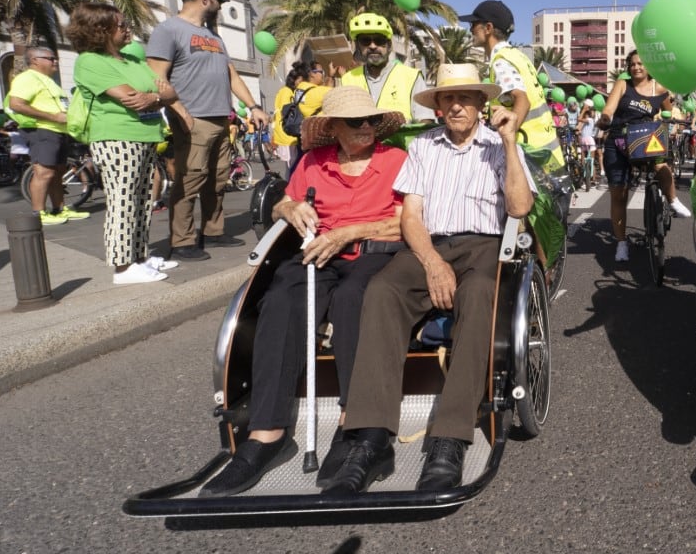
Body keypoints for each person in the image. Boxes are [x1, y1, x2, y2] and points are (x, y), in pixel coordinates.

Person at [321, 65, 535, 494]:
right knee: (382, 291)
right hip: (429, 243)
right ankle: (373, 436)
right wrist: (433, 262)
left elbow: (518, 208)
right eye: (448, 98)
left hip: (483, 243)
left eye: (466, 98)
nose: (456, 105)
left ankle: (449, 436)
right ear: (437, 106)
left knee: (478, 294)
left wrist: (510, 142)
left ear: (480, 104)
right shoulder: (423, 147)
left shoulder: (499, 145)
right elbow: (412, 217)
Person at [200, 87, 408, 496]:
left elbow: (407, 223)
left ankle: (353, 423)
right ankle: (267, 436)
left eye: (370, 120)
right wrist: (289, 208)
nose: (365, 127)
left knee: (356, 300)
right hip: (319, 249)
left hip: (375, 250)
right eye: (355, 121)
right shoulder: (314, 162)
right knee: (279, 300)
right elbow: (284, 202)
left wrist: (351, 232)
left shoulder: (395, 160)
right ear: (332, 127)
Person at [147, 0, 268, 261]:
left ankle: (213, 232)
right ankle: (182, 241)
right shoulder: (169, 30)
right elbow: (157, 78)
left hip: (220, 118)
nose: (220, 7)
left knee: (217, 179)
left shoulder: (214, 37)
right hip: (192, 118)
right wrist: (181, 112)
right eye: (218, 2)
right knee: (190, 180)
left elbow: (231, 75)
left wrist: (253, 106)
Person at [69, 3, 179, 285]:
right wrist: (156, 95)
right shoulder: (90, 62)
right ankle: (122, 266)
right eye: (121, 25)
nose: (127, 28)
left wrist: (153, 97)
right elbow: (129, 97)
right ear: (100, 30)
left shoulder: (131, 60)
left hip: (144, 136)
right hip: (117, 138)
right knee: (123, 200)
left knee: (142, 201)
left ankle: (139, 256)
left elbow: (166, 91)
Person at [600, 51, 692, 262]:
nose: (636, 67)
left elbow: (669, 111)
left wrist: (674, 126)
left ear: (649, 67)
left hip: (645, 139)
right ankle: (622, 244)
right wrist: (605, 118)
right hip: (619, 142)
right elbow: (609, 107)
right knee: (619, 195)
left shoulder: (659, 89)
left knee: (662, 168)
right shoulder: (623, 85)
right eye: (632, 64)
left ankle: (673, 200)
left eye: (641, 63)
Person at [461, 0, 565, 171]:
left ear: (488, 28)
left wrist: (508, 141)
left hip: (530, 155)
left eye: (474, 24)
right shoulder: (517, 56)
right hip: (546, 152)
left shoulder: (501, 62)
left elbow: (522, 100)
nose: (470, 29)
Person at [4, 46, 88, 226]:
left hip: (58, 131)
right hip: (42, 130)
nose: (55, 61)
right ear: (35, 60)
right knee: (44, 172)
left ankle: (58, 209)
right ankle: (38, 213)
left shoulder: (47, 80)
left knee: (57, 172)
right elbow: (16, 104)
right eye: (51, 58)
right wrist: (53, 116)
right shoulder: (27, 78)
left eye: (55, 58)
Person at [336, 13, 431, 148]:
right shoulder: (347, 79)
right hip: (360, 158)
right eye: (365, 41)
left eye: (379, 40)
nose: (373, 46)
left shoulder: (412, 76)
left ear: (389, 45)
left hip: (402, 158)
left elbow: (425, 122)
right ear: (358, 46)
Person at [272, 60, 328, 170]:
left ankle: (293, 183)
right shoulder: (288, 92)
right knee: (298, 166)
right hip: (291, 137)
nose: (323, 75)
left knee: (298, 164)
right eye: (321, 72)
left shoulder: (297, 91)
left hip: (298, 135)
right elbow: (284, 111)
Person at [578, 102, 599, 186]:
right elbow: (579, 125)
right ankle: (585, 177)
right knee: (583, 160)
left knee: (592, 161)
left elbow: (579, 119)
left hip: (589, 141)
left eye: (585, 115)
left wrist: (583, 110)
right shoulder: (585, 124)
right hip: (584, 141)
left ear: (588, 115)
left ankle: (593, 179)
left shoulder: (590, 120)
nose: (584, 116)